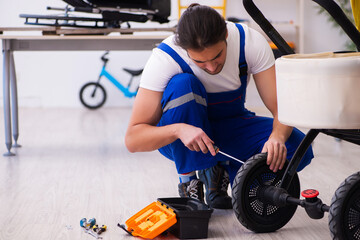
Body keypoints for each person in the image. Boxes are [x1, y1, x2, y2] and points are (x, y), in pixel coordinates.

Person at [125, 4, 313, 209]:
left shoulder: (248, 42)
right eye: (200, 62)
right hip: (182, 140)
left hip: (228, 128)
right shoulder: (165, 57)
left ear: (225, 35)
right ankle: (190, 183)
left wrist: (277, 137)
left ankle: (221, 171)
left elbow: (281, 108)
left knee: (297, 148)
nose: (212, 67)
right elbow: (133, 139)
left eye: (217, 57)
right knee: (183, 84)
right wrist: (179, 130)